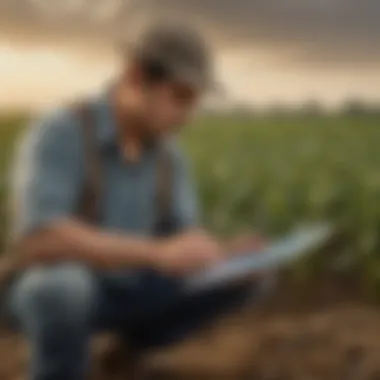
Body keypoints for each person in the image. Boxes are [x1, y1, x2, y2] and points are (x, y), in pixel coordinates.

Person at [6, 22, 273, 380]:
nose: (188, 114)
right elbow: (39, 240)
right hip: (49, 291)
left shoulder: (168, 158)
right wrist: (157, 254)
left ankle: (127, 355)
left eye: (194, 101)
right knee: (63, 289)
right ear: (136, 77)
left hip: (132, 289)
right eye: (180, 97)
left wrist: (223, 255)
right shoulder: (61, 132)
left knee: (248, 277)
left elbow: (182, 241)